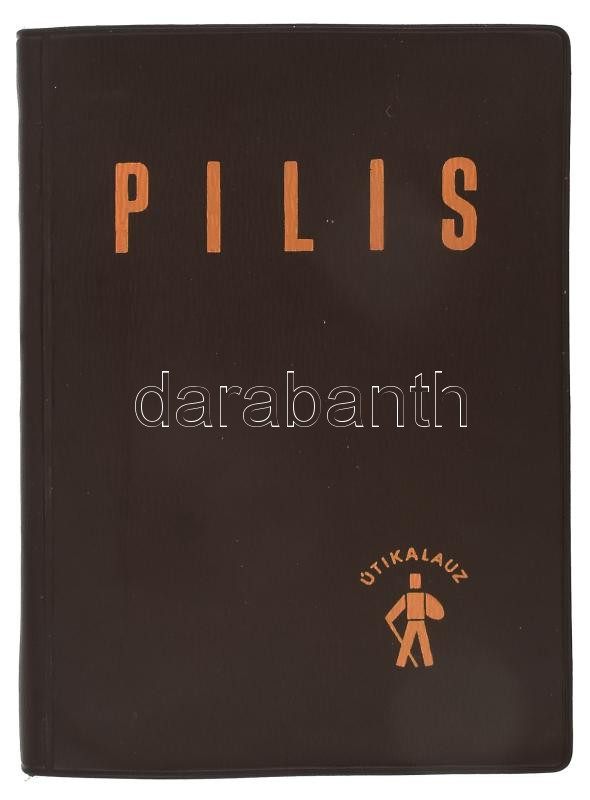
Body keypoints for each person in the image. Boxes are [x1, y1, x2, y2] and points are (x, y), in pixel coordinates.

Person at [385, 573, 444, 667]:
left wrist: (390, 617)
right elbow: (395, 610)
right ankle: (425, 663)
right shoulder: (417, 596)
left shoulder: (412, 596)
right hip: (417, 622)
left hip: (415, 622)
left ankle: (404, 663)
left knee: (417, 644)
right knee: (414, 644)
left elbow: (436, 611)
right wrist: (390, 617)